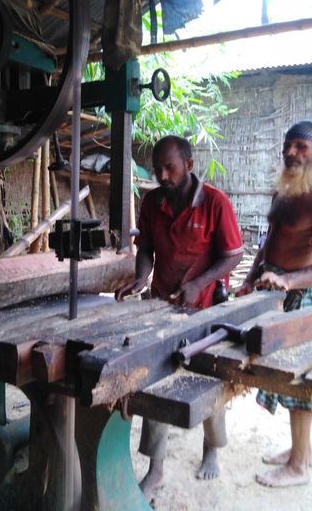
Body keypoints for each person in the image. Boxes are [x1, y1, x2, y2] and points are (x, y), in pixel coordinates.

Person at [114, 135, 244, 498]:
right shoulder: (153, 201)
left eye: (169, 167)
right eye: (157, 168)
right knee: (158, 380)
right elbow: (147, 249)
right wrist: (141, 278)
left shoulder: (216, 203)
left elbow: (233, 255)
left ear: (189, 164)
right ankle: (156, 470)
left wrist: (198, 283)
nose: (162, 175)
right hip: (163, 305)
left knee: (210, 382)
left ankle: (211, 450)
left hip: (205, 308)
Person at [235, 120, 312, 488]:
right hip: (272, 291)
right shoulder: (282, 192)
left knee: (298, 382)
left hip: (302, 296)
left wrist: (289, 281)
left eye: (301, 147)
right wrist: (251, 279)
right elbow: (268, 243)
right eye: (288, 146)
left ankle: (298, 467)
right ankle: (303, 451)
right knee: (286, 375)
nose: (292, 153)